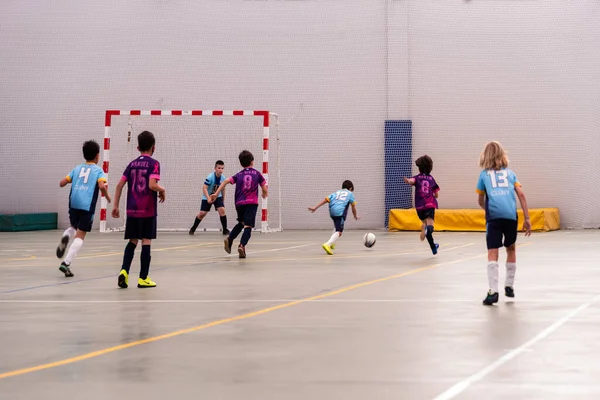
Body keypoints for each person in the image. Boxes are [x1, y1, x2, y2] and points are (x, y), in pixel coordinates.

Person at [476, 141, 531, 306]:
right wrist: (527, 218)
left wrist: (487, 209)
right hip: (510, 216)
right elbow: (521, 194)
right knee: (511, 247)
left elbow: (480, 199)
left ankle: (493, 291)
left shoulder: (484, 175)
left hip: (494, 216)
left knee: (493, 251)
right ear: (502, 155)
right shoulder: (511, 174)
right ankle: (509, 285)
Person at [111, 131, 166, 288]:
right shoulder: (154, 163)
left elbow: (120, 185)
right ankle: (143, 278)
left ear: (137, 147)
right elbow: (152, 185)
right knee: (146, 241)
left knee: (132, 241)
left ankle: (124, 271)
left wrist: (115, 206)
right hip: (147, 209)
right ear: (153, 147)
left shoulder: (131, 164)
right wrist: (162, 189)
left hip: (132, 210)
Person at [56, 140, 111, 277]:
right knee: (81, 235)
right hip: (86, 206)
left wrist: (71, 181)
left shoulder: (77, 168)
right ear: (98, 156)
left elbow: (62, 183)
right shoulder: (98, 171)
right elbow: (102, 186)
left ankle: (66, 235)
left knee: (74, 227)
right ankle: (66, 263)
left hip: (73, 204)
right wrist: (107, 196)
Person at [210, 150, 267, 258]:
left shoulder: (239, 175)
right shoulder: (257, 173)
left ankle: (230, 238)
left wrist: (216, 193)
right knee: (248, 226)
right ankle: (242, 246)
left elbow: (225, 181)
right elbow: (264, 187)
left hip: (239, 203)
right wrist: (264, 193)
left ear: (241, 163)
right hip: (251, 203)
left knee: (241, 223)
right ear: (252, 161)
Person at [308, 180, 360, 255]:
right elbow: (353, 207)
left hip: (332, 211)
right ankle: (328, 244)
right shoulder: (350, 194)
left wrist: (315, 208)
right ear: (351, 188)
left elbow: (326, 200)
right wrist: (355, 216)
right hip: (340, 212)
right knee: (339, 231)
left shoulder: (336, 192)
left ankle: (332, 243)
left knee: (336, 226)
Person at [403, 155, 440, 255]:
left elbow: (412, 181)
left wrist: (408, 181)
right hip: (429, 204)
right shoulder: (431, 179)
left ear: (419, 168)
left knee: (426, 225)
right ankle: (427, 228)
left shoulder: (417, 177)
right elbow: (436, 195)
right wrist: (432, 195)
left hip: (419, 207)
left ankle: (433, 247)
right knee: (430, 225)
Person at [189, 160, 229, 235]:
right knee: (202, 213)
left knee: (222, 210)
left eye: (222, 168)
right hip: (207, 196)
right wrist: (208, 198)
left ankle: (225, 230)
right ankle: (193, 228)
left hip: (217, 196)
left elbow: (223, 189)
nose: (221, 170)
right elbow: (204, 188)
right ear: (215, 168)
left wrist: (223, 199)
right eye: (219, 168)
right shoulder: (210, 177)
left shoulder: (223, 178)